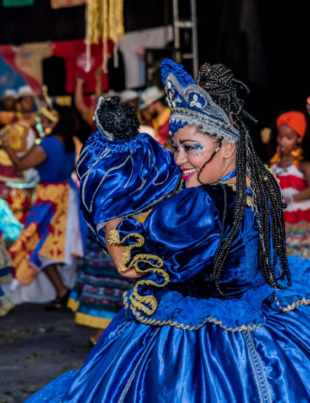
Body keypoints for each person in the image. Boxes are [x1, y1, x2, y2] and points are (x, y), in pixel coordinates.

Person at [26, 60, 310, 403]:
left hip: (200, 349)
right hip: (261, 329)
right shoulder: (260, 185)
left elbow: (128, 265)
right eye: (176, 147)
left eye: (192, 147)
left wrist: (113, 193)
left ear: (228, 146)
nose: (179, 159)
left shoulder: (204, 204)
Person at [3, 104, 85, 308]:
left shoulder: (49, 143)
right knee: (60, 247)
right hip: (68, 194)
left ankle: (62, 290)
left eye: (44, 119)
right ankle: (65, 290)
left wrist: (7, 149)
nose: (41, 122)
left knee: (38, 246)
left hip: (51, 199)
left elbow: (22, 165)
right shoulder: (69, 141)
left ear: (52, 121)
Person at [68, 232, 134, 345]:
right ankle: (103, 333)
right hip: (111, 244)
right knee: (111, 284)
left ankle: (103, 333)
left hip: (110, 243)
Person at [270, 111, 310, 258]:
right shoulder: (273, 165)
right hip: (280, 219)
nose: (282, 142)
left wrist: (290, 198)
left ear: (299, 138)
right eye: (280, 136)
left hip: (301, 220)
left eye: (289, 138)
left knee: (298, 259)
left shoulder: (303, 164)